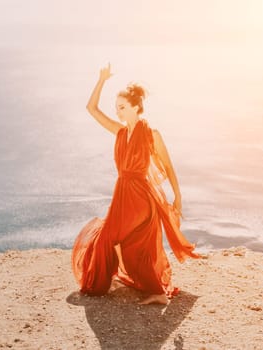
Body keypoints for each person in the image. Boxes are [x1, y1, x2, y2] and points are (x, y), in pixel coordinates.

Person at [71, 63, 201, 305]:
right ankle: (151, 288)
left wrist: (178, 197)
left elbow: (169, 166)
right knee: (110, 239)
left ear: (135, 107)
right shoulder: (120, 132)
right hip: (122, 193)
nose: (118, 112)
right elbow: (91, 108)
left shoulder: (152, 134)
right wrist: (101, 80)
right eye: (117, 108)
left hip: (141, 197)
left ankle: (156, 291)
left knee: (120, 241)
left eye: (122, 107)